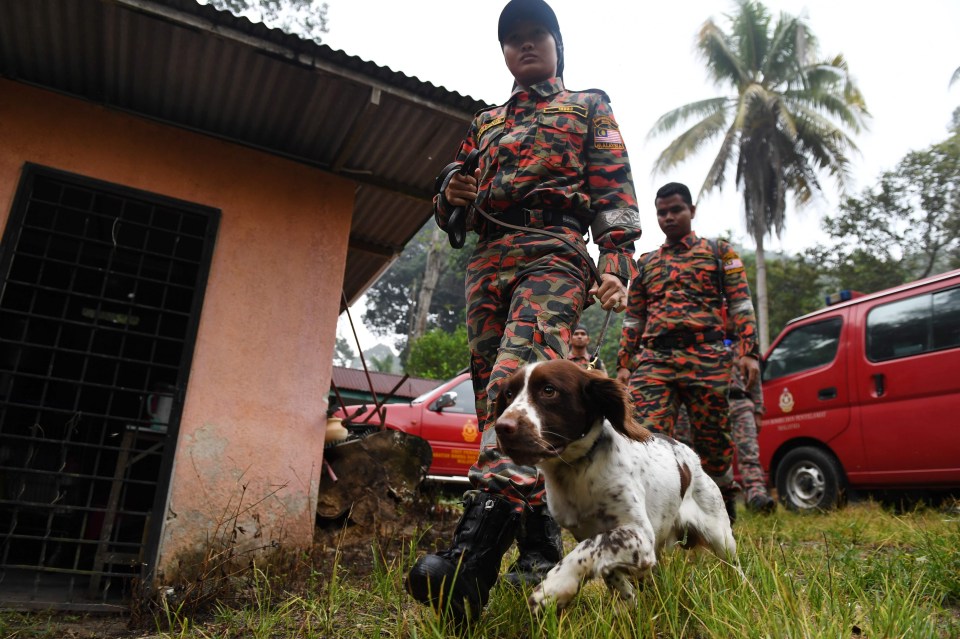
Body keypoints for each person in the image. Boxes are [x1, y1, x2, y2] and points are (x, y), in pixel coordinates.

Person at [405, 0, 641, 624]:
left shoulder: (588, 105)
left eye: (535, 36)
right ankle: (538, 553)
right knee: (496, 399)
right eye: (512, 40)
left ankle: (469, 561)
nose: (523, 47)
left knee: (522, 383)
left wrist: (616, 263)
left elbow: (615, 189)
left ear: (556, 44)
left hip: (556, 253)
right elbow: (453, 206)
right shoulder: (484, 123)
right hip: (487, 265)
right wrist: (450, 195)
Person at [616, 182, 759, 521]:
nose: (668, 217)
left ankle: (722, 512)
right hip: (655, 361)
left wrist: (748, 350)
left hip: (706, 357)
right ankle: (653, 515)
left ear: (691, 210)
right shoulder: (647, 263)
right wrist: (624, 364)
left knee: (713, 441)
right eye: (662, 212)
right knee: (646, 438)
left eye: (675, 210)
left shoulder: (718, 252)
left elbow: (740, 304)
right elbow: (633, 318)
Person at [673, 338, 776, 518]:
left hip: (740, 402)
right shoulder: (700, 339)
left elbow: (755, 376)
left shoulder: (743, 343)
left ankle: (756, 496)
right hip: (709, 402)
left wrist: (758, 409)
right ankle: (712, 500)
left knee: (749, 452)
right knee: (710, 455)